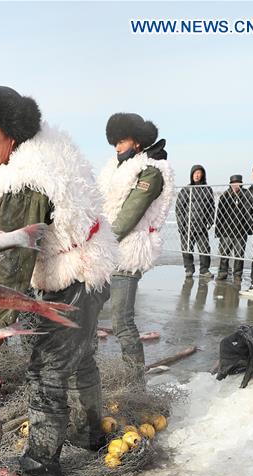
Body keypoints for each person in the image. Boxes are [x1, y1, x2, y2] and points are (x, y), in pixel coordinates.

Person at [0, 79, 118, 476]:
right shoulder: (45, 151)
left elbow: (16, 258)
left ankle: (41, 460)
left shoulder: (27, 179)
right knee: (81, 358)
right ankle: (88, 434)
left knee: (47, 366)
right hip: (92, 266)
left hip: (75, 275)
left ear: (10, 133)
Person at [98, 113, 174, 384]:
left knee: (121, 321)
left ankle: (134, 380)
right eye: (114, 142)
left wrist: (104, 240)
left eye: (121, 141)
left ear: (138, 142)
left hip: (128, 252)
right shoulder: (117, 168)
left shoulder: (150, 172)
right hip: (106, 250)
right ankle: (88, 373)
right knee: (90, 312)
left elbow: (130, 213)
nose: (117, 147)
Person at [175, 165, 215, 279]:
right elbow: (179, 208)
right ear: (192, 175)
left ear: (202, 174)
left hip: (201, 226)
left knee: (205, 249)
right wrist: (181, 225)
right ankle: (189, 269)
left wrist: (210, 221)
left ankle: (204, 270)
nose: (197, 175)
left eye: (199, 173)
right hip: (187, 226)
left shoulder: (207, 189)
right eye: (195, 173)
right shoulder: (186, 189)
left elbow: (211, 206)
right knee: (187, 249)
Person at [214, 175, 248, 284]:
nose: (236, 185)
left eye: (238, 183)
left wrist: (249, 228)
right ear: (230, 184)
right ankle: (222, 273)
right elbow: (219, 215)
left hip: (241, 231)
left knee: (239, 255)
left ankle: (237, 275)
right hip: (226, 230)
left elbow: (250, 213)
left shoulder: (246, 195)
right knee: (224, 253)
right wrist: (218, 231)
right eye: (234, 183)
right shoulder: (225, 196)